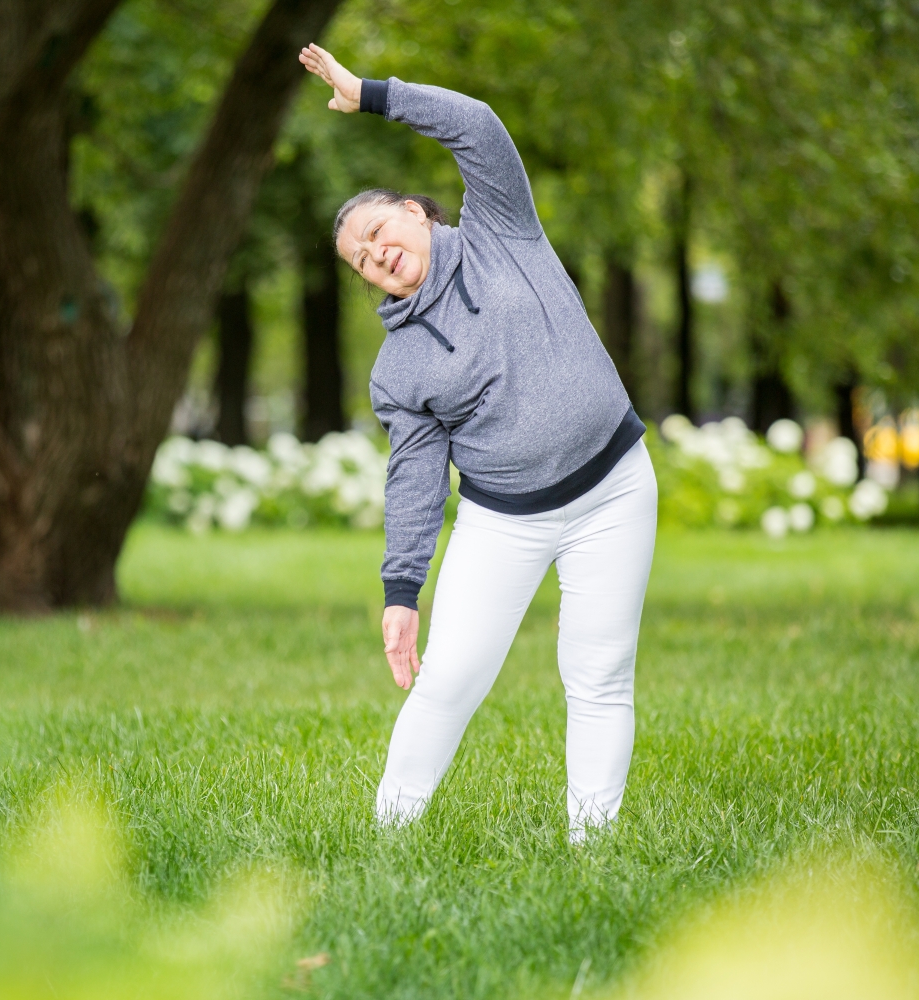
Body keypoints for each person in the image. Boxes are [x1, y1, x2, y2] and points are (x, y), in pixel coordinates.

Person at [299, 44, 658, 843]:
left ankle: (592, 849)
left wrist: (373, 95)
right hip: (506, 522)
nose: (376, 253)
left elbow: (478, 127)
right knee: (452, 677)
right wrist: (400, 593)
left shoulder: (502, 227)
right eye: (362, 259)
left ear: (418, 214)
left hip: (615, 489)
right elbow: (416, 484)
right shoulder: (400, 370)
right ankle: (389, 837)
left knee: (598, 675)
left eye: (380, 230)